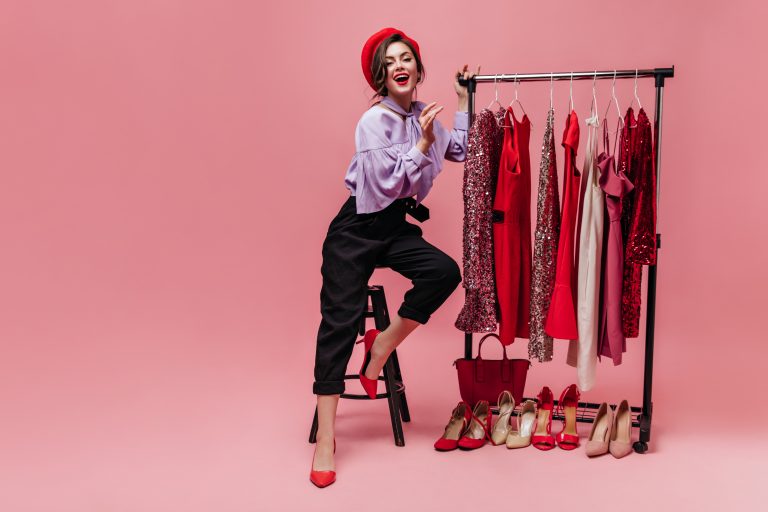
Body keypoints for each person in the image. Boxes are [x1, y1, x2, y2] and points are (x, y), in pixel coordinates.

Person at [310, 27, 480, 488]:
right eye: (390, 62)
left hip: (393, 228)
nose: (400, 66)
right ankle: (327, 439)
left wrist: (462, 99)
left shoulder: (425, 115)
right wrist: (422, 145)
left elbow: (461, 149)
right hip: (357, 228)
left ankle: (381, 345)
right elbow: (384, 186)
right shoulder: (373, 123)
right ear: (381, 78)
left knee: (444, 273)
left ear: (418, 70)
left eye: (406, 58)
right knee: (339, 325)